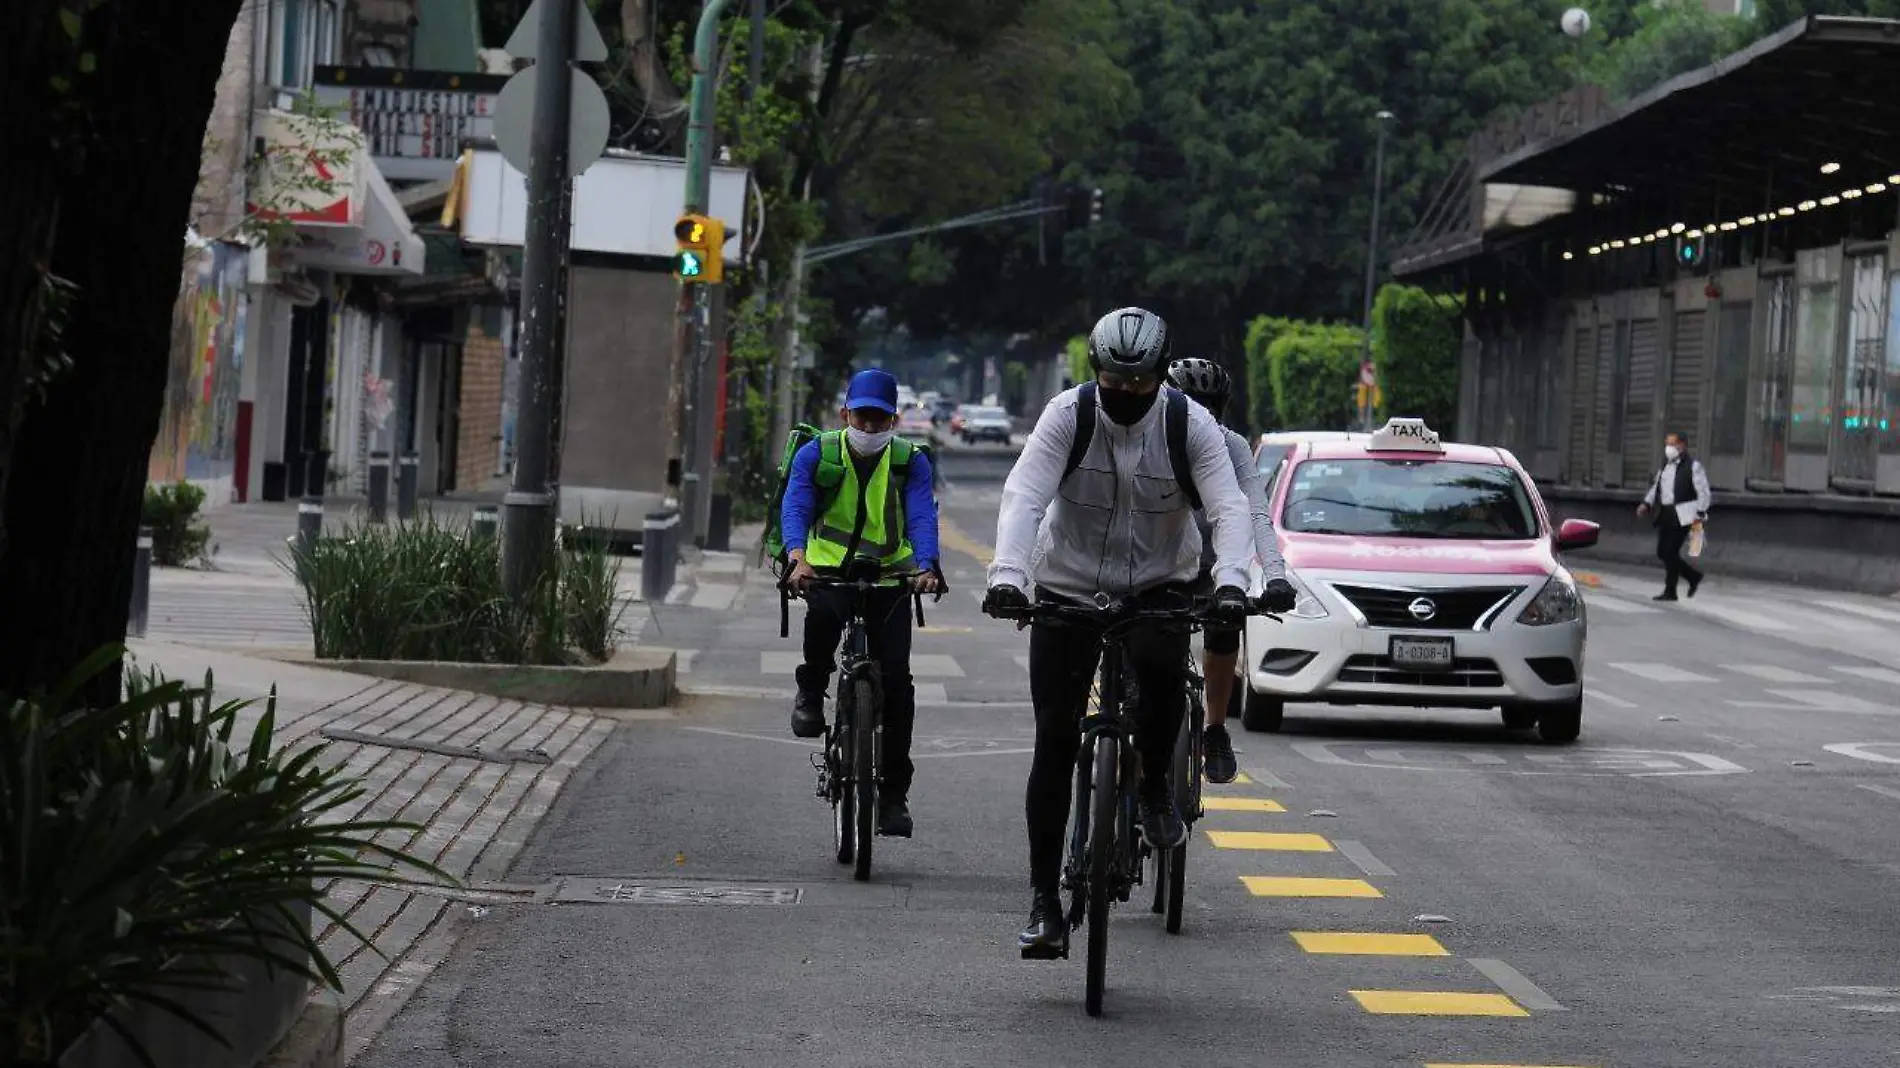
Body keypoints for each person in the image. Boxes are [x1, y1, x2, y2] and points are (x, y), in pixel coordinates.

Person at [981, 307, 1255, 958]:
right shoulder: (1066, 416)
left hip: (1158, 581)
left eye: (1140, 384)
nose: (1126, 395)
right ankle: (1045, 902)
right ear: (1094, 371)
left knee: (1162, 675)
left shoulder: (1189, 425)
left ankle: (1156, 781)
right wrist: (1009, 579)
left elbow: (1228, 506)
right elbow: (1024, 497)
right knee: (1053, 741)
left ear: (1162, 376)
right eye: (1113, 380)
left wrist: (1235, 582)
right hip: (1068, 582)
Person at [781, 368, 943, 837]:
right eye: (862, 417)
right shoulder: (819, 453)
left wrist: (927, 566)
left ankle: (893, 795)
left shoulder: (910, 461)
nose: (869, 427)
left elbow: (920, 515)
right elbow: (795, 506)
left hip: (891, 576)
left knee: (899, 685)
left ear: (893, 419)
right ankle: (811, 690)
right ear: (844, 413)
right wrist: (797, 558)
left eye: (879, 419)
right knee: (821, 624)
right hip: (826, 570)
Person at [1163, 357, 1294, 784]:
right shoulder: (1151, 439)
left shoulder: (1232, 447)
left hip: (1213, 565)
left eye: (1209, 409)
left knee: (1226, 621)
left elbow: (1257, 512)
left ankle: (1215, 728)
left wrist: (1275, 576)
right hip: (1154, 567)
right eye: (1189, 406)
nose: (1199, 418)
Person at [1636, 430, 1711, 601]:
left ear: (1682, 445)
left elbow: (1704, 493)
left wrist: (1700, 512)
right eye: (1667, 443)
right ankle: (1692, 577)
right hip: (1666, 513)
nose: (1669, 447)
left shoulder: (1693, 466)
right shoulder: (1665, 466)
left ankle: (1671, 590)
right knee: (1662, 552)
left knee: (1670, 551)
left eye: (1672, 443)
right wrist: (1646, 504)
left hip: (1684, 514)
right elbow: (1656, 488)